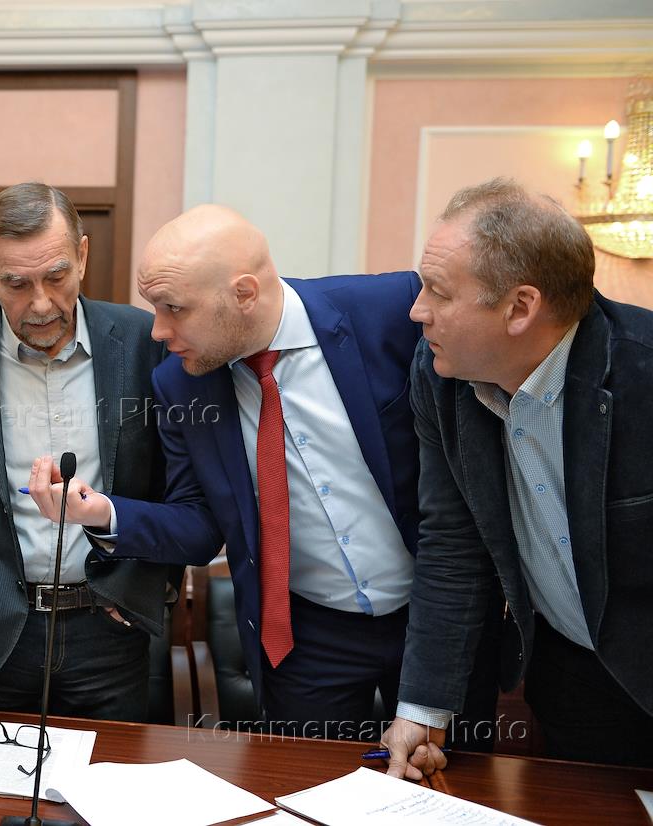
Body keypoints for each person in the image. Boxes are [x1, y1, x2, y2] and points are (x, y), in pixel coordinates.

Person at [28, 204, 498, 744]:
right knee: (303, 784)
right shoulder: (181, 385)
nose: (158, 330)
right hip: (305, 637)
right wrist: (101, 513)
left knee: (452, 776)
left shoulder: (392, 311)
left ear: (244, 293)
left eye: (174, 308)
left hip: (437, 613)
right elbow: (201, 525)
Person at [381, 178, 653, 777]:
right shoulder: (440, 374)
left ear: (521, 308)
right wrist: (423, 707)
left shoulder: (642, 369)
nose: (417, 310)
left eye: (438, 291)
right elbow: (453, 543)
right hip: (574, 681)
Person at [0, 182, 175, 721]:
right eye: (16, 283)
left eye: (56, 276)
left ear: (82, 255)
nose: (41, 303)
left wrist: (153, 588)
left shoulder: (146, 343)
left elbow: (178, 486)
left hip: (111, 630)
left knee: (110, 777)